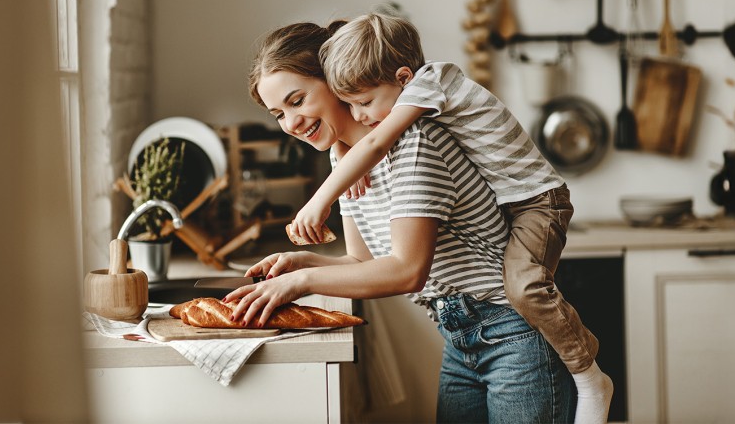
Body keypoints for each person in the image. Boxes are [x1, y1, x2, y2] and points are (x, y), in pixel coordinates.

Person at [230, 21, 573, 423]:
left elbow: (407, 271)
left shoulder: (413, 140)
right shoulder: (343, 160)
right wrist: (299, 262)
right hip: (460, 339)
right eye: (279, 114)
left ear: (333, 78)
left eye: (297, 100)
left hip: (513, 334)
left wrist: (299, 284)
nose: (291, 123)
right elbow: (361, 261)